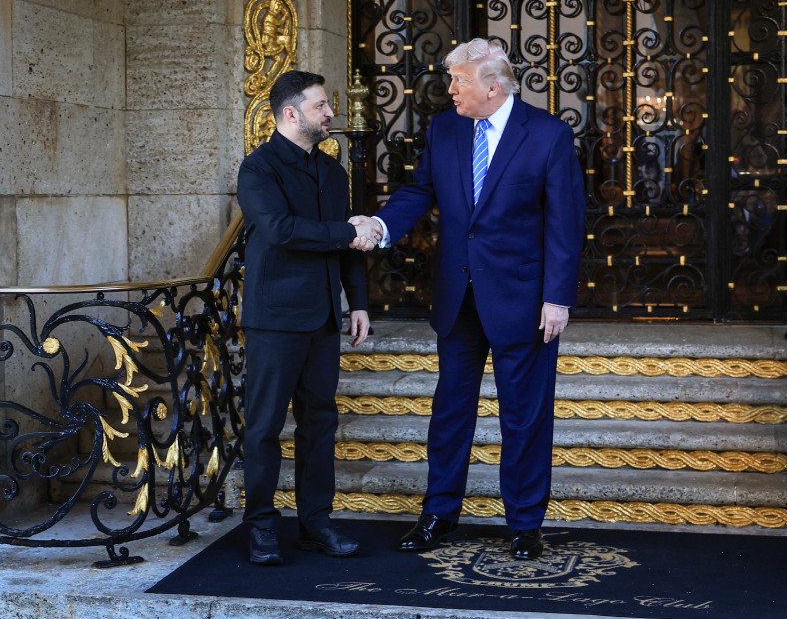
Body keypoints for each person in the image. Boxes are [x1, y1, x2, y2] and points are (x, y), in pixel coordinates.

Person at [352, 38, 584, 560]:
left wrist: (557, 298)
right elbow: (419, 192)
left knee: (524, 415)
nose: (450, 89)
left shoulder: (547, 135)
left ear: (493, 86)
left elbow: (566, 223)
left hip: (523, 299)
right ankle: (439, 514)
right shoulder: (445, 129)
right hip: (458, 297)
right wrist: (381, 224)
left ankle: (525, 523)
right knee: (450, 412)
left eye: (458, 80)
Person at [236, 70, 381, 565]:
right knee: (264, 427)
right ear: (291, 113)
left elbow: (350, 250)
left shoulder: (333, 173)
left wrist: (358, 302)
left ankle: (316, 524)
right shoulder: (257, 170)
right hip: (274, 319)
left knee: (319, 424)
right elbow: (279, 230)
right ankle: (259, 527)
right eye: (321, 106)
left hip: (323, 318)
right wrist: (345, 230)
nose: (331, 114)